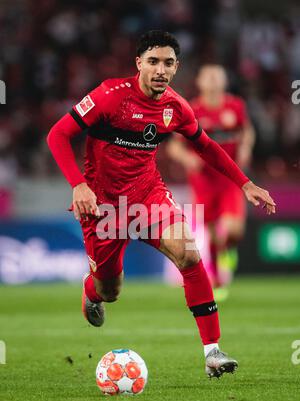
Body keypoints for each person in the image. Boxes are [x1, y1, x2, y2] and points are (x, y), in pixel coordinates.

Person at [47, 31, 275, 379]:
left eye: (168, 63)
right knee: (110, 290)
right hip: (103, 205)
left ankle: (212, 351)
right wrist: (78, 185)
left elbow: (206, 146)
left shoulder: (175, 107)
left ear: (176, 67)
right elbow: (58, 134)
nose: (160, 69)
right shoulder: (109, 96)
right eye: (153, 61)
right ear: (138, 63)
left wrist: (245, 183)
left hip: (148, 196)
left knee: (189, 253)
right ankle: (91, 289)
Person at [166, 64, 255, 297]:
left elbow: (247, 131)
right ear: (200, 82)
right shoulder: (191, 110)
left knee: (234, 230)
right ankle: (216, 277)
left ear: (225, 81)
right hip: (203, 180)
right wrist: (188, 158)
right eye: (209, 76)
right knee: (213, 231)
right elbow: (174, 146)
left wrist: (245, 147)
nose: (214, 80)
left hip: (229, 177)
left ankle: (229, 250)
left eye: (218, 76)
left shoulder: (235, 106)